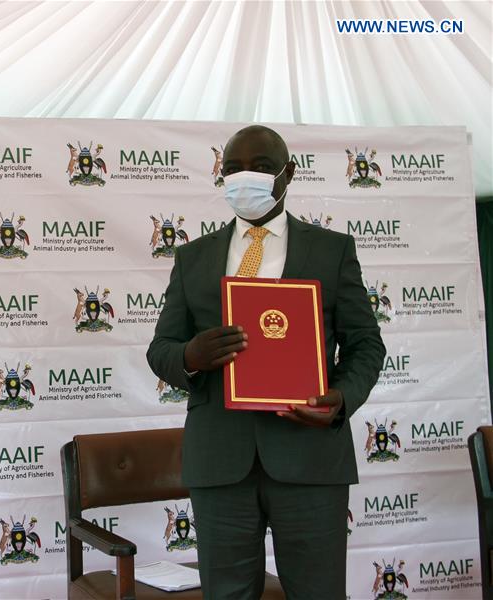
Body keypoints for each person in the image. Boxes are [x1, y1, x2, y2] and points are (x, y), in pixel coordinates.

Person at [147, 125, 385, 599]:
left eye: (257, 167)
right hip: (220, 462)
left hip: (311, 457)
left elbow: (365, 345)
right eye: (232, 169)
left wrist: (339, 400)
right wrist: (191, 357)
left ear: (287, 173)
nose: (243, 178)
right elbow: (162, 349)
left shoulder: (331, 250)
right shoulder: (193, 257)